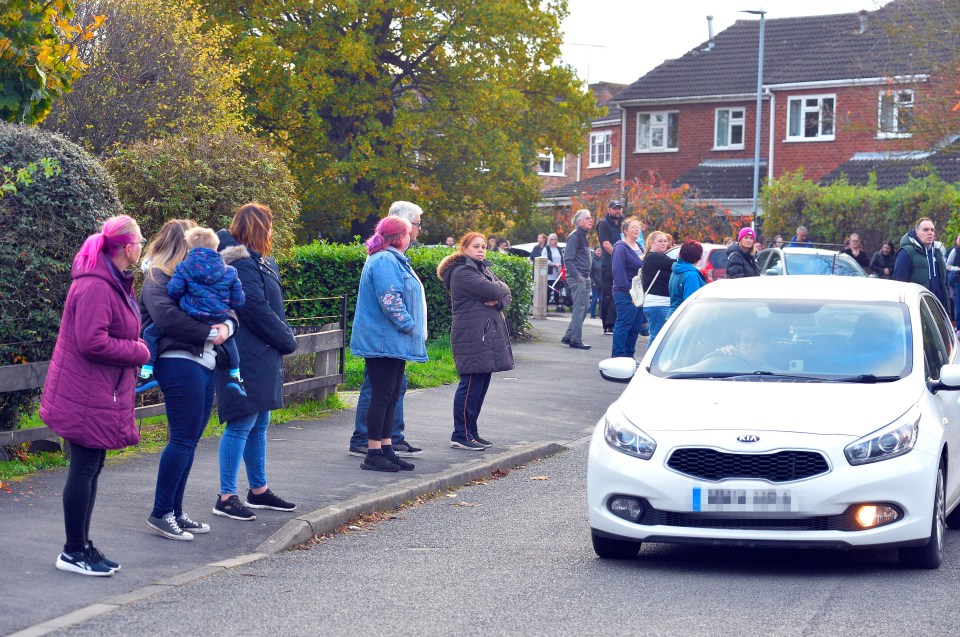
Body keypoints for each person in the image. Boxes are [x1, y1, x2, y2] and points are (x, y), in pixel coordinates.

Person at [41, 216, 151, 576]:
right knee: (84, 467)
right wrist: (138, 351)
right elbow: (91, 341)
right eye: (139, 239)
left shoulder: (114, 281)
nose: (142, 244)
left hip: (98, 391)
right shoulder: (97, 285)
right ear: (126, 246)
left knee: (92, 467)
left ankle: (82, 547)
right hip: (84, 392)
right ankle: (72, 551)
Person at [141, 220, 232, 540]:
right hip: (178, 361)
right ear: (181, 245)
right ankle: (161, 512)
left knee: (190, 439)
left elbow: (229, 307)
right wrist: (211, 331)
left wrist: (227, 328)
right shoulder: (157, 277)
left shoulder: (195, 275)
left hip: (204, 362)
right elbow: (166, 318)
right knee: (181, 438)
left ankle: (175, 510)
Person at [213, 203, 299, 519]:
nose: (273, 232)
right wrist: (287, 338)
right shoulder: (241, 263)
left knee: (260, 421)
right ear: (260, 228)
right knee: (242, 422)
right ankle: (225, 496)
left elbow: (273, 307)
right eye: (270, 226)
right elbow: (256, 308)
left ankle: (258, 490)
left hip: (262, 353)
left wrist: (281, 335)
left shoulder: (263, 262)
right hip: (245, 353)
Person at [349, 216, 428, 471]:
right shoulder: (384, 260)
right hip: (382, 340)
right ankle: (373, 453)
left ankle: (386, 448)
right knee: (382, 395)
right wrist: (408, 324)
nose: (411, 236)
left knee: (391, 393)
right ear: (398, 237)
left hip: (391, 341)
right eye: (408, 232)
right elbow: (390, 298)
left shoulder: (392, 259)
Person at [137, 227, 247, 397]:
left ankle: (146, 371)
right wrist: (221, 324)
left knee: (151, 333)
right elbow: (238, 301)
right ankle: (236, 374)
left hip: (194, 317)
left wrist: (227, 327)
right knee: (230, 342)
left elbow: (174, 292)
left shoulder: (184, 268)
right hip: (205, 333)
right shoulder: (229, 270)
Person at [437, 233, 514, 450]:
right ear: (464, 248)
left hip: (483, 335)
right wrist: (501, 289)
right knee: (470, 384)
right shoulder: (462, 272)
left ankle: (472, 432)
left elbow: (504, 297)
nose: (481, 250)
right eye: (476, 246)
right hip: (471, 335)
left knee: (481, 384)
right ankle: (460, 434)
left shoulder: (481, 269)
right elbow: (496, 289)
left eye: (483, 246)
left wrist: (499, 299)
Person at [610, 216, 645, 358]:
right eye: (633, 227)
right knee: (624, 324)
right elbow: (618, 271)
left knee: (636, 325)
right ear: (625, 231)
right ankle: (618, 356)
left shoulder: (640, 247)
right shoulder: (620, 247)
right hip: (625, 292)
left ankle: (629, 355)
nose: (637, 229)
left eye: (638, 227)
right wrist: (628, 290)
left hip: (640, 292)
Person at [894, 217, 948, 308]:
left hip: (938, 307)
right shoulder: (906, 252)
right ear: (916, 232)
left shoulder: (937, 252)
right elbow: (899, 284)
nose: (930, 232)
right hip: (916, 307)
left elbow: (943, 283)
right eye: (925, 230)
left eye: (932, 230)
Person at [561, 209, 594, 350]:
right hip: (578, 277)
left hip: (584, 276)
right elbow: (568, 259)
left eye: (590, 218)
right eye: (587, 218)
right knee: (580, 308)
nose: (591, 220)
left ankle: (569, 336)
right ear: (579, 221)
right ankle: (575, 340)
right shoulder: (574, 236)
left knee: (584, 307)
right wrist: (578, 277)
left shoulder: (582, 236)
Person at [641, 231, 674, 345]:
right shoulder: (654, 257)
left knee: (660, 337)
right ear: (652, 243)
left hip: (660, 302)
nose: (664, 243)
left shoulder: (660, 257)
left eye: (665, 241)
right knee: (657, 337)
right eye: (660, 241)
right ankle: (650, 362)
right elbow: (675, 264)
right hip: (657, 303)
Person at [597, 199, 625, 334]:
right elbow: (606, 244)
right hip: (609, 265)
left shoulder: (624, 224)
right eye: (615, 208)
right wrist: (620, 256)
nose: (617, 211)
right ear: (609, 210)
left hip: (623, 266)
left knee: (620, 293)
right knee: (608, 295)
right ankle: (607, 325)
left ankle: (616, 322)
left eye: (619, 208)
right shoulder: (604, 224)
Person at [669, 240, 707, 316]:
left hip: (673, 316)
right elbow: (692, 303)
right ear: (699, 256)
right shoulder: (691, 275)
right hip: (684, 318)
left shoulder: (676, 270)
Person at [543, 233, 564, 309]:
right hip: (549, 273)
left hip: (558, 274)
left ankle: (558, 306)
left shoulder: (559, 249)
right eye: (551, 239)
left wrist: (561, 265)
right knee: (548, 290)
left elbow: (562, 259)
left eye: (554, 239)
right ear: (549, 240)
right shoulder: (546, 249)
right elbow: (544, 259)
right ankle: (546, 306)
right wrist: (553, 264)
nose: (553, 241)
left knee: (557, 291)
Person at [947, 233, 960, 324]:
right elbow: (947, 266)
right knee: (958, 305)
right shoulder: (954, 251)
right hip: (957, 281)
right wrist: (957, 269)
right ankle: (958, 328)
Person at [589, 246, 603, 319]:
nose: (599, 252)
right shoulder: (592, 260)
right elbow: (590, 273)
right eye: (598, 251)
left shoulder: (603, 259)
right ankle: (592, 314)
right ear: (595, 251)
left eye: (600, 251)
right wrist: (593, 282)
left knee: (602, 299)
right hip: (595, 283)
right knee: (594, 299)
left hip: (602, 283)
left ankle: (601, 314)